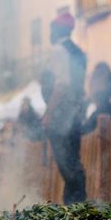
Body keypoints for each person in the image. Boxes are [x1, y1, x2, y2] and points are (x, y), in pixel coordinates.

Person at [40, 13, 87, 204]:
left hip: (61, 116)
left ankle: (74, 207)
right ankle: (75, 206)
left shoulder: (58, 50)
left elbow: (61, 84)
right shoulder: (78, 52)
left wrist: (48, 114)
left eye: (52, 29)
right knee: (72, 162)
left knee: (67, 165)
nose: (50, 33)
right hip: (74, 115)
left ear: (58, 30)